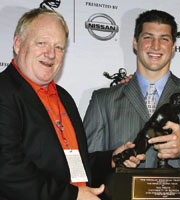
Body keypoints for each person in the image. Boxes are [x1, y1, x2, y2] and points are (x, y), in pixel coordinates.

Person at [0, 8, 142, 200]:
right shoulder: (4, 91)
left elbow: (72, 162)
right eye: (42, 43)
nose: (51, 54)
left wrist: (112, 159)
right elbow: (8, 169)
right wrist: (71, 195)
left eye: (59, 47)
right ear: (18, 44)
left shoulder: (63, 97)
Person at [83, 9, 180, 181]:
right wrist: (112, 159)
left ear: (173, 47)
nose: (156, 46)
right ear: (135, 43)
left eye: (164, 39)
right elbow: (84, 165)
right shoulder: (103, 100)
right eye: (148, 37)